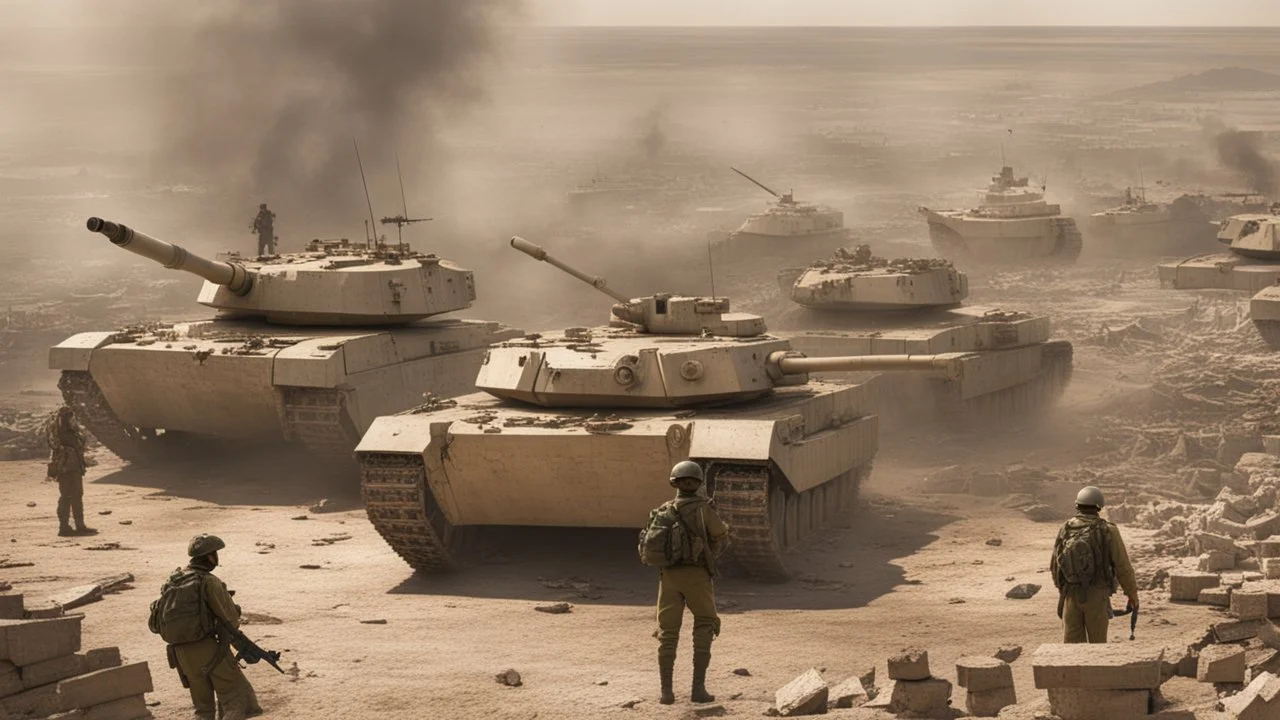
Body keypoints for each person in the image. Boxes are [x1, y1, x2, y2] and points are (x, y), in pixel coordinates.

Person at [649, 461, 730, 705]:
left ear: (674, 482)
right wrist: (710, 553)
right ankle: (698, 690)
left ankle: (666, 692)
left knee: (668, 633)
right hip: (697, 576)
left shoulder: (663, 510)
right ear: (697, 484)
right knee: (705, 624)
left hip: (669, 577)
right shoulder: (704, 509)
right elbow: (720, 535)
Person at [162, 534, 262, 720]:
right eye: (214, 554)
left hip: (181, 654)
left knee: (203, 710)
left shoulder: (173, 580)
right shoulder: (208, 581)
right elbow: (230, 620)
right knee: (236, 698)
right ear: (209, 556)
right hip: (208, 649)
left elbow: (156, 622)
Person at [1050, 486, 1139, 644]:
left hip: (1071, 595)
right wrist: (1132, 594)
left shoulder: (1066, 528)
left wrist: (1063, 591)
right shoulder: (1108, 530)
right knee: (1097, 646)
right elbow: (1122, 566)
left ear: (1078, 505)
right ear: (1099, 506)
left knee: (1071, 650)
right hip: (1097, 595)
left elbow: (1055, 565)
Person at [45, 406, 95, 537]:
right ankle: (64, 527)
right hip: (66, 469)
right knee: (66, 496)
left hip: (75, 468)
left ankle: (79, 525)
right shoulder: (59, 434)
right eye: (71, 417)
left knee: (77, 496)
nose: (73, 420)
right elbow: (57, 447)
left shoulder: (72, 432)